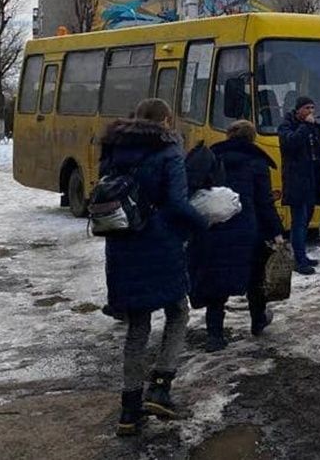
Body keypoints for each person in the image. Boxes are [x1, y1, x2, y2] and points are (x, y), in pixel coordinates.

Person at [100, 98, 208, 437]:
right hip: (160, 243)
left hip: (122, 245)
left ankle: (129, 411)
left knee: (137, 325)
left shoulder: (113, 147)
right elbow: (177, 202)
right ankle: (161, 387)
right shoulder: (169, 150)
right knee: (178, 311)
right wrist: (201, 222)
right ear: (167, 120)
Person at [189, 121, 287, 352]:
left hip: (215, 226)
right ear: (252, 138)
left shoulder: (211, 158)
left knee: (217, 280)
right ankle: (258, 320)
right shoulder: (257, 162)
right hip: (247, 228)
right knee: (255, 278)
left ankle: (215, 335)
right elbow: (264, 203)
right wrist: (276, 232)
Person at [277, 96, 320, 275]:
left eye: (312, 108)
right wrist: (306, 127)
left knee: (306, 218)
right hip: (296, 181)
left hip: (312, 178)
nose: (311, 112)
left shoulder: (312, 126)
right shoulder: (287, 126)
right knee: (298, 222)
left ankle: (302, 255)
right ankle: (298, 260)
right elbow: (290, 143)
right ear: (298, 110)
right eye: (307, 108)